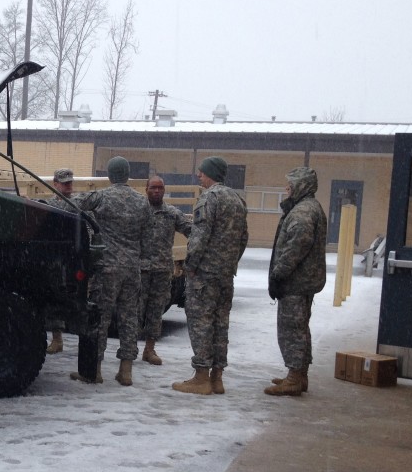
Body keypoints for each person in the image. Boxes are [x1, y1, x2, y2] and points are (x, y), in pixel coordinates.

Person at [172, 156, 248, 395]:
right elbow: (243, 238)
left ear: (211, 174)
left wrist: (191, 265)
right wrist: (230, 261)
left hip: (205, 275)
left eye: (202, 173)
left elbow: (199, 235)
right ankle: (217, 377)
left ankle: (201, 377)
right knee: (220, 324)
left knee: (201, 323)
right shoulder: (237, 200)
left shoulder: (210, 198)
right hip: (225, 274)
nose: (198, 175)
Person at [72, 156, 150, 386]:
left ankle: (94, 370)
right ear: (127, 175)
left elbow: (73, 203)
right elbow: (147, 233)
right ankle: (126, 371)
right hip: (131, 268)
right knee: (129, 318)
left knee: (102, 318)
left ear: (109, 174)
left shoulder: (102, 196)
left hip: (107, 268)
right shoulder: (141, 202)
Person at [264, 167, 328, 396]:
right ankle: (299, 375)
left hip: (296, 282)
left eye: (290, 185)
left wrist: (278, 274)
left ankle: (294, 377)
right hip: (303, 281)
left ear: (300, 187)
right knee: (300, 328)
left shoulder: (302, 212)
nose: (286, 189)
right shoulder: (308, 207)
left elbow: (295, 248)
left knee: (292, 330)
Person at [138, 176, 192, 365]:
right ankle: (129, 350)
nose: (157, 191)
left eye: (160, 188)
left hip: (162, 272)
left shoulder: (171, 213)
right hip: (140, 271)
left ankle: (150, 349)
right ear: (146, 189)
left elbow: (190, 230)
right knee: (135, 311)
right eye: (153, 187)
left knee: (156, 311)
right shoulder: (138, 211)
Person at [45, 168, 75, 354]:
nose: (68, 186)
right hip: (54, 258)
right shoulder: (47, 205)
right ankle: (57, 338)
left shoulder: (78, 205)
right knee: (54, 296)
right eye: (64, 183)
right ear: (55, 184)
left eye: (70, 182)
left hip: (72, 258)